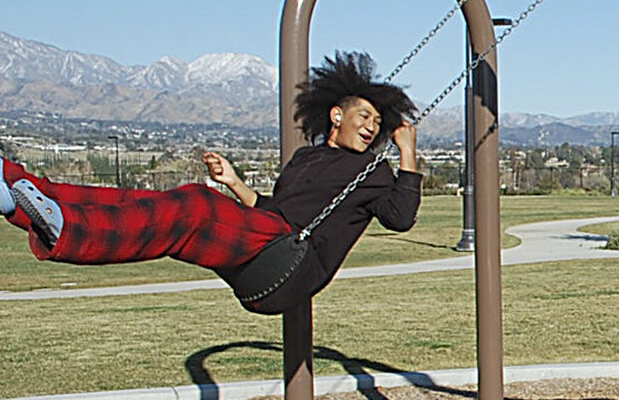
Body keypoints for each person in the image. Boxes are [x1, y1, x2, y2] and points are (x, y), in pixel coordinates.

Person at [0, 52, 421, 314]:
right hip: (266, 243)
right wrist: (235, 183)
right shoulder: (306, 157)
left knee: (195, 206)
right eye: (365, 116)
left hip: (291, 267)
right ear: (336, 115)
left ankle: (68, 231)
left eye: (378, 124)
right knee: (148, 201)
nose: (371, 128)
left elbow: (401, 218)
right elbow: (273, 211)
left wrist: (406, 150)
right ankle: (17, 192)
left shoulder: (373, 172)